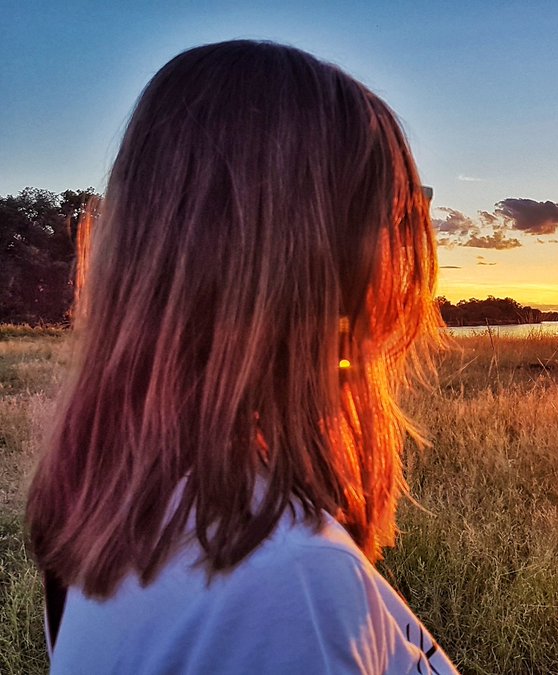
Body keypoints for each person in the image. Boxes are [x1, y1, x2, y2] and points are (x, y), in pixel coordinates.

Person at [24, 40, 457, 674]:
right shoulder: (287, 584)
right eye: (388, 216)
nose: (399, 259)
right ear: (317, 260)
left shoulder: (127, 512)